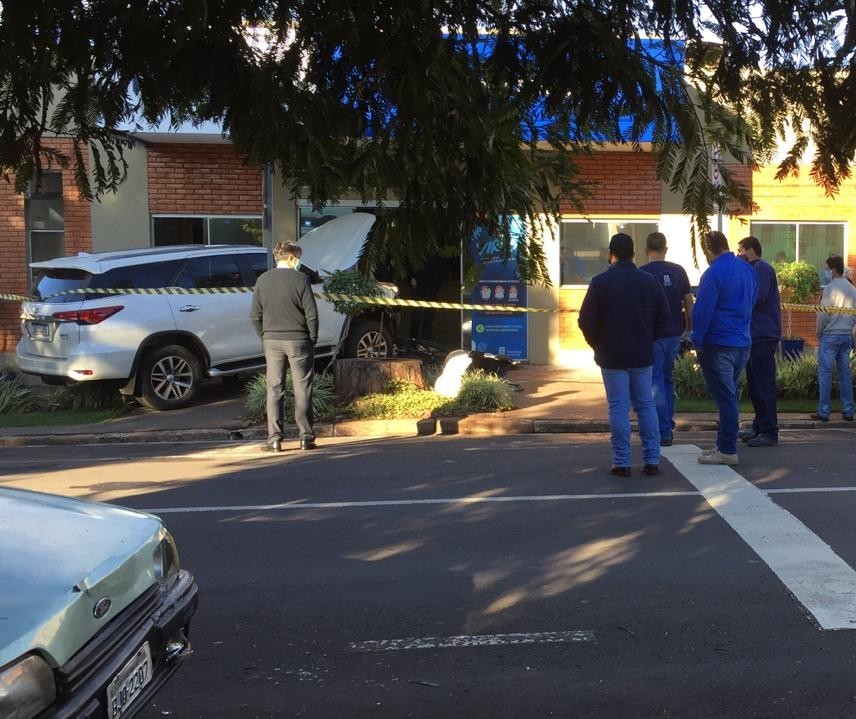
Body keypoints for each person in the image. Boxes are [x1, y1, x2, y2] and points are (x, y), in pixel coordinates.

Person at [579, 233, 670, 477]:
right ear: (633, 253)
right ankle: (652, 459)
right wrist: (649, 339)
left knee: (618, 407)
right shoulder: (649, 281)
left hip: (611, 355)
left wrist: (597, 343)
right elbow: (664, 317)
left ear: (611, 254)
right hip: (642, 353)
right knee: (646, 405)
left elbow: (585, 320)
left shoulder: (600, 282)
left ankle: (622, 462)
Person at [691, 230, 758, 465]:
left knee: (725, 397)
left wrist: (697, 340)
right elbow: (752, 301)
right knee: (728, 394)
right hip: (742, 341)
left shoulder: (713, 273)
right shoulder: (748, 270)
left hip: (718, 342)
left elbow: (703, 311)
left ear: (709, 250)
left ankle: (727, 449)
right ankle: (723, 445)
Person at [250, 242, 319, 452]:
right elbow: (312, 314)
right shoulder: (300, 280)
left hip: (271, 341)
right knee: (302, 388)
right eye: (297, 257)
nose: (298, 262)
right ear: (291, 257)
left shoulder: (262, 280)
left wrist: (265, 336)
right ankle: (306, 437)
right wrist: (312, 338)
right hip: (298, 340)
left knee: (274, 389)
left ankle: (275, 439)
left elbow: (254, 316)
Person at [639, 232, 694, 446]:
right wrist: (689, 329)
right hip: (673, 334)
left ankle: (663, 430)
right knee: (668, 379)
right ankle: (667, 424)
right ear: (666, 249)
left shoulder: (641, 273)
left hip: (652, 335)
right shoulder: (678, 271)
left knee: (655, 382)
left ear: (646, 251)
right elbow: (689, 303)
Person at [736, 236, 782, 447]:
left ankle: (769, 431)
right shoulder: (751, 270)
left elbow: (759, 297)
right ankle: (759, 424)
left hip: (763, 333)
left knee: (764, 384)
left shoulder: (761, 269)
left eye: (741, 250)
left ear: (751, 250)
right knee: (754, 384)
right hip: (753, 334)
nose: (739, 254)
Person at [811, 255, 856, 423]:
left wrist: (818, 332)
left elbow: (822, 316)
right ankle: (848, 410)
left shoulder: (830, 289)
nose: (826, 272)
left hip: (829, 336)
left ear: (834, 269)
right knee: (845, 374)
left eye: (827, 268)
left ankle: (824, 411)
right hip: (846, 336)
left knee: (825, 374)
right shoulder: (852, 289)